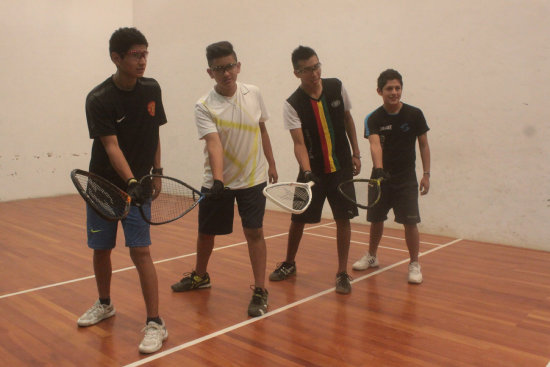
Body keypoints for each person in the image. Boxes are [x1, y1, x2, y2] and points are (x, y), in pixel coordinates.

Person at [77, 27, 168, 354]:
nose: (143, 61)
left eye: (145, 54)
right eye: (135, 55)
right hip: (103, 187)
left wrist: (155, 173)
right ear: (116, 58)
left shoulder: (151, 88)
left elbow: (155, 133)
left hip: (138, 185)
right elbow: (111, 147)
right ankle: (105, 304)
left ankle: (156, 322)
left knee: (140, 251)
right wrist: (130, 181)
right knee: (101, 248)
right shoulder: (99, 99)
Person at [171, 41, 278, 317]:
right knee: (206, 233)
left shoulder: (253, 93)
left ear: (238, 66)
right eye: (219, 69)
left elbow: (262, 129)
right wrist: (218, 180)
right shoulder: (204, 105)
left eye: (230, 66)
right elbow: (213, 143)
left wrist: (272, 164)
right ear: (210, 73)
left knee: (254, 232)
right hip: (217, 181)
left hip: (253, 178)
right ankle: (201, 275)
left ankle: (260, 290)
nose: (226, 73)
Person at [268, 46, 361, 294]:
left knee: (343, 219)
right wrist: (307, 171)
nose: (314, 73)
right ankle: (289, 263)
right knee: (298, 219)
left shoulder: (336, 87)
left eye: (317, 66)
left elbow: (348, 120)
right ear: (297, 73)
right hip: (312, 171)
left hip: (341, 167)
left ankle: (342, 272)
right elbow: (299, 144)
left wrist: (356, 152)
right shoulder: (292, 104)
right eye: (308, 69)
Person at [352, 69, 431, 284]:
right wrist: (378, 170)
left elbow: (423, 145)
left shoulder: (415, 114)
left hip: (406, 180)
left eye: (397, 88)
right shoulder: (374, 118)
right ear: (380, 91)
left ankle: (414, 263)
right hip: (380, 178)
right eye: (389, 89)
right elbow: (375, 143)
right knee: (376, 220)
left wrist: (426, 174)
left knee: (410, 223)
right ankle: (372, 256)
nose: (394, 92)